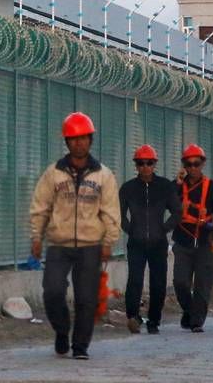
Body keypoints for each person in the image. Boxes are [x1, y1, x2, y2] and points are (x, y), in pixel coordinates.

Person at [30, 112, 121, 360]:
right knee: (53, 290)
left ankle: (80, 346)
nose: (79, 143)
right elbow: (41, 206)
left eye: (83, 138)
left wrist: (108, 241)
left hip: (91, 244)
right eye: (73, 139)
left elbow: (111, 211)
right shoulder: (53, 174)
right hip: (59, 244)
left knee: (86, 298)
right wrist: (36, 236)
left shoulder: (103, 175)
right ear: (67, 142)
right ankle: (61, 330)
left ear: (90, 141)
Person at [119, 144, 180, 335]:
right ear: (136, 166)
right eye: (141, 163)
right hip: (136, 243)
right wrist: (132, 230)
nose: (145, 167)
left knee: (158, 282)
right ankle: (133, 317)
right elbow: (119, 214)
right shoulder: (128, 188)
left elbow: (177, 211)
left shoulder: (164, 187)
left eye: (149, 163)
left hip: (158, 243)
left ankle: (154, 320)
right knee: (135, 281)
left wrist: (164, 229)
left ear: (155, 165)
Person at [171, 143, 213, 333]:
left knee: (203, 285)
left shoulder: (212, 188)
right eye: (189, 164)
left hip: (205, 242)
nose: (193, 168)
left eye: (196, 164)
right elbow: (165, 201)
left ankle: (196, 321)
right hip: (183, 242)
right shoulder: (178, 187)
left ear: (202, 164)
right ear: (184, 165)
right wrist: (176, 184)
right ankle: (190, 310)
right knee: (180, 282)